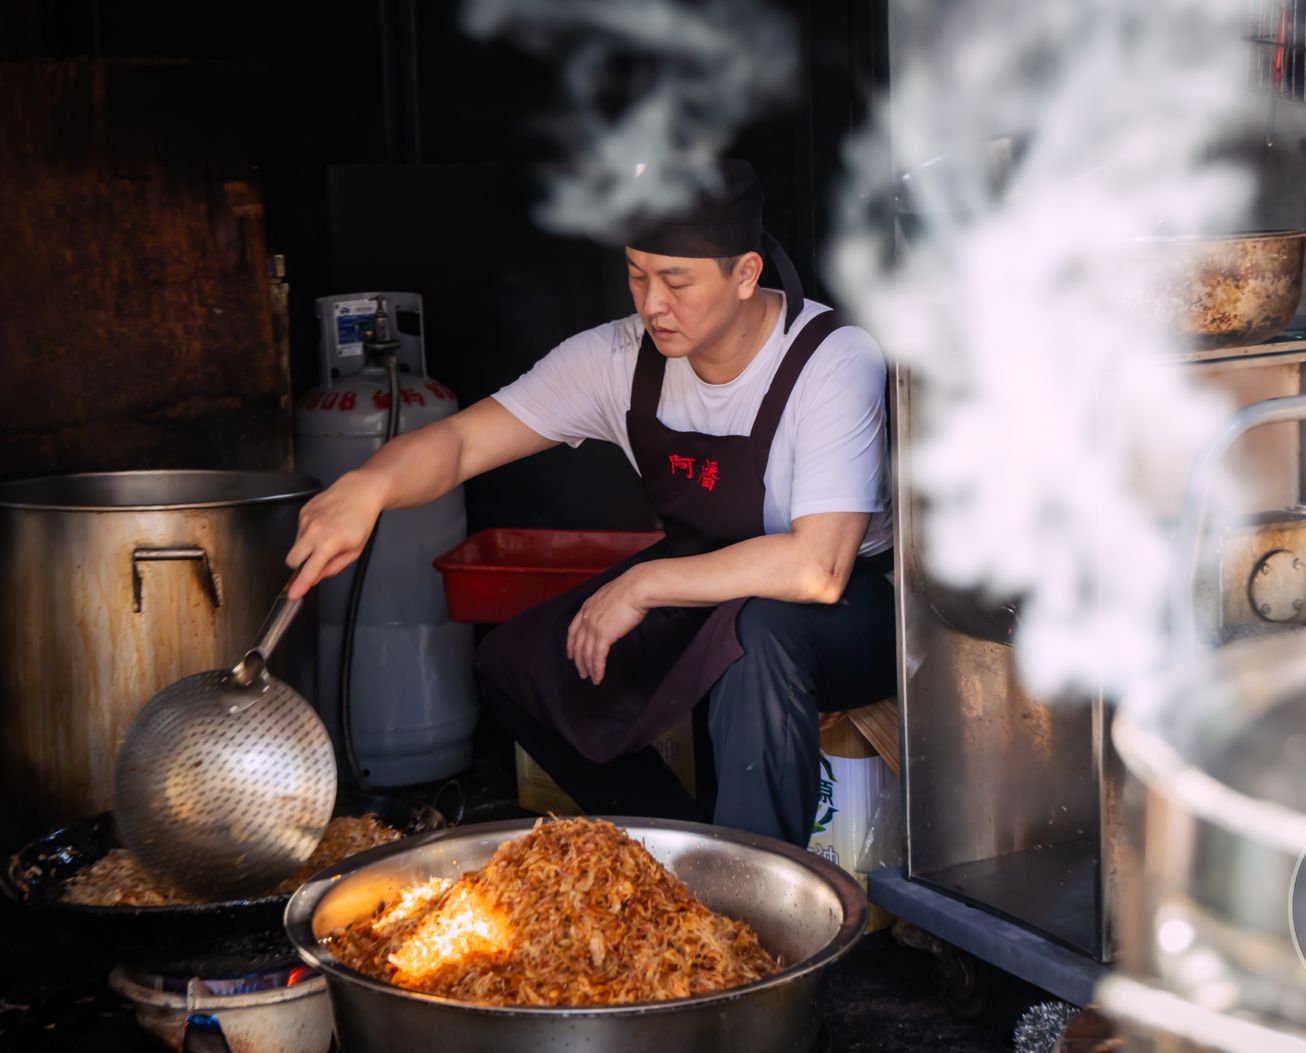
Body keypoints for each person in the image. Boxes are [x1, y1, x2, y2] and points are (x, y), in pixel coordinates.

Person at [285, 160, 895, 847]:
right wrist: (369, 485)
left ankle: (763, 888)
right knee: (521, 666)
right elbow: (458, 444)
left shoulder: (832, 359)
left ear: (747, 274)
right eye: (637, 274)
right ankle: (674, 852)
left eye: (676, 280)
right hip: (705, 581)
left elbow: (818, 567)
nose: (651, 303)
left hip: (848, 612)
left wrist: (643, 583)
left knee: (757, 637)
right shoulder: (618, 358)